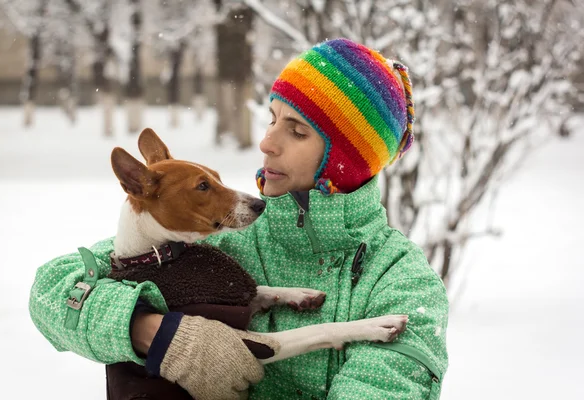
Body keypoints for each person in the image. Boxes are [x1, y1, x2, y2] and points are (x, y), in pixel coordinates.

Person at [30, 38, 448, 400]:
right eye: (271, 119)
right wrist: (153, 331)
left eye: (297, 131)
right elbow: (52, 294)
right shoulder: (212, 234)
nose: (266, 142)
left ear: (345, 161)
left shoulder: (402, 281)